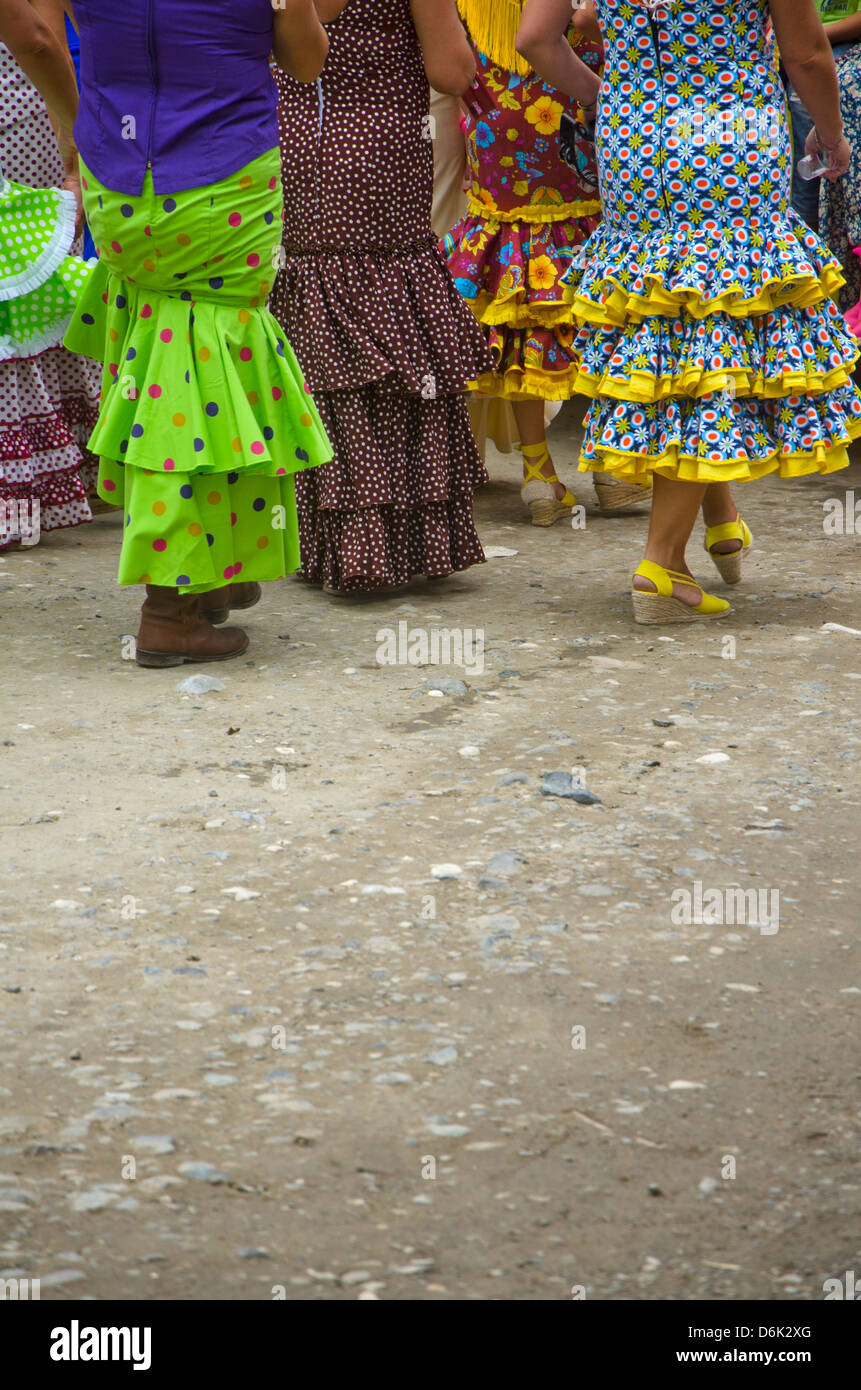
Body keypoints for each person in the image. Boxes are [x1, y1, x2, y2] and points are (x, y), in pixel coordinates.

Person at [519, 0, 860, 624]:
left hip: (635, 140)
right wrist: (832, 134)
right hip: (731, 136)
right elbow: (807, 54)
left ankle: (721, 518)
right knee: (715, 324)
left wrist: (622, 100)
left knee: (671, 324)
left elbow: (536, 40)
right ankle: (662, 564)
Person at [62, 0, 333, 666]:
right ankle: (169, 607)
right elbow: (306, 61)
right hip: (223, 177)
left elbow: (36, 37)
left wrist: (83, 116)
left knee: (166, 359)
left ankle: (212, 570)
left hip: (116, 182)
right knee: (207, 372)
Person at [269, 0, 492, 595]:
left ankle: (336, 543)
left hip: (294, 143)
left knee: (323, 340)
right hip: (383, 150)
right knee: (397, 327)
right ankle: (402, 542)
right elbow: (452, 71)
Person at [446, 0, 648, 524]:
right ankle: (613, 467)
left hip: (496, 130)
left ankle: (539, 476)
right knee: (603, 304)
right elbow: (583, 22)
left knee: (522, 306)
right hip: (568, 119)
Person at [0, 0, 95, 552]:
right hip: (15, 123)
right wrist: (81, 143)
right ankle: (18, 500)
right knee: (17, 308)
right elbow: (35, 36)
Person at [786, 2, 861, 231]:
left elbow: (808, 57)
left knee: (803, 102)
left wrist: (832, 136)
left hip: (832, 47)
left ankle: (808, 224)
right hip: (789, 47)